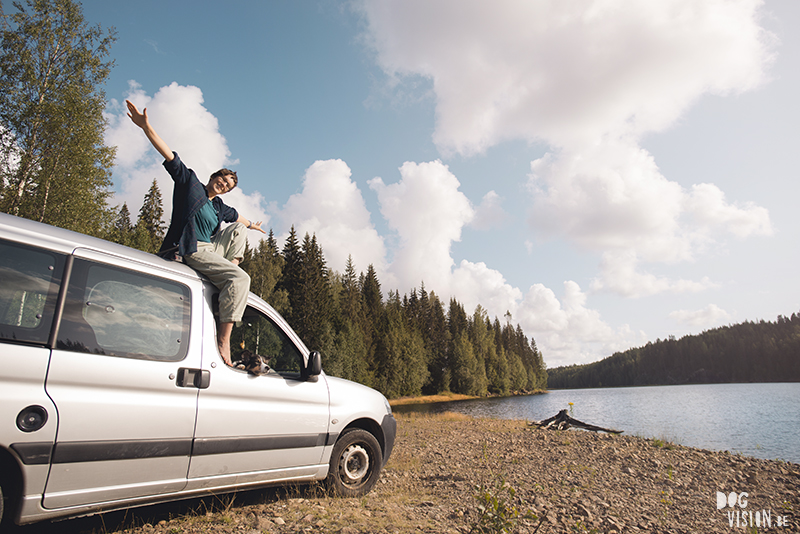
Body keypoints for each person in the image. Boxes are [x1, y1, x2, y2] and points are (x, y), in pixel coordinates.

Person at [126, 99, 265, 365]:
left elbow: (238, 219)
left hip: (212, 249)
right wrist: (146, 127)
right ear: (213, 177)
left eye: (227, 186)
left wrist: (253, 225)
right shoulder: (191, 186)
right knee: (240, 280)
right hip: (191, 248)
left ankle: (227, 269)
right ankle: (224, 341)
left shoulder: (219, 206)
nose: (223, 185)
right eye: (222, 180)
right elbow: (169, 156)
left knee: (238, 229)